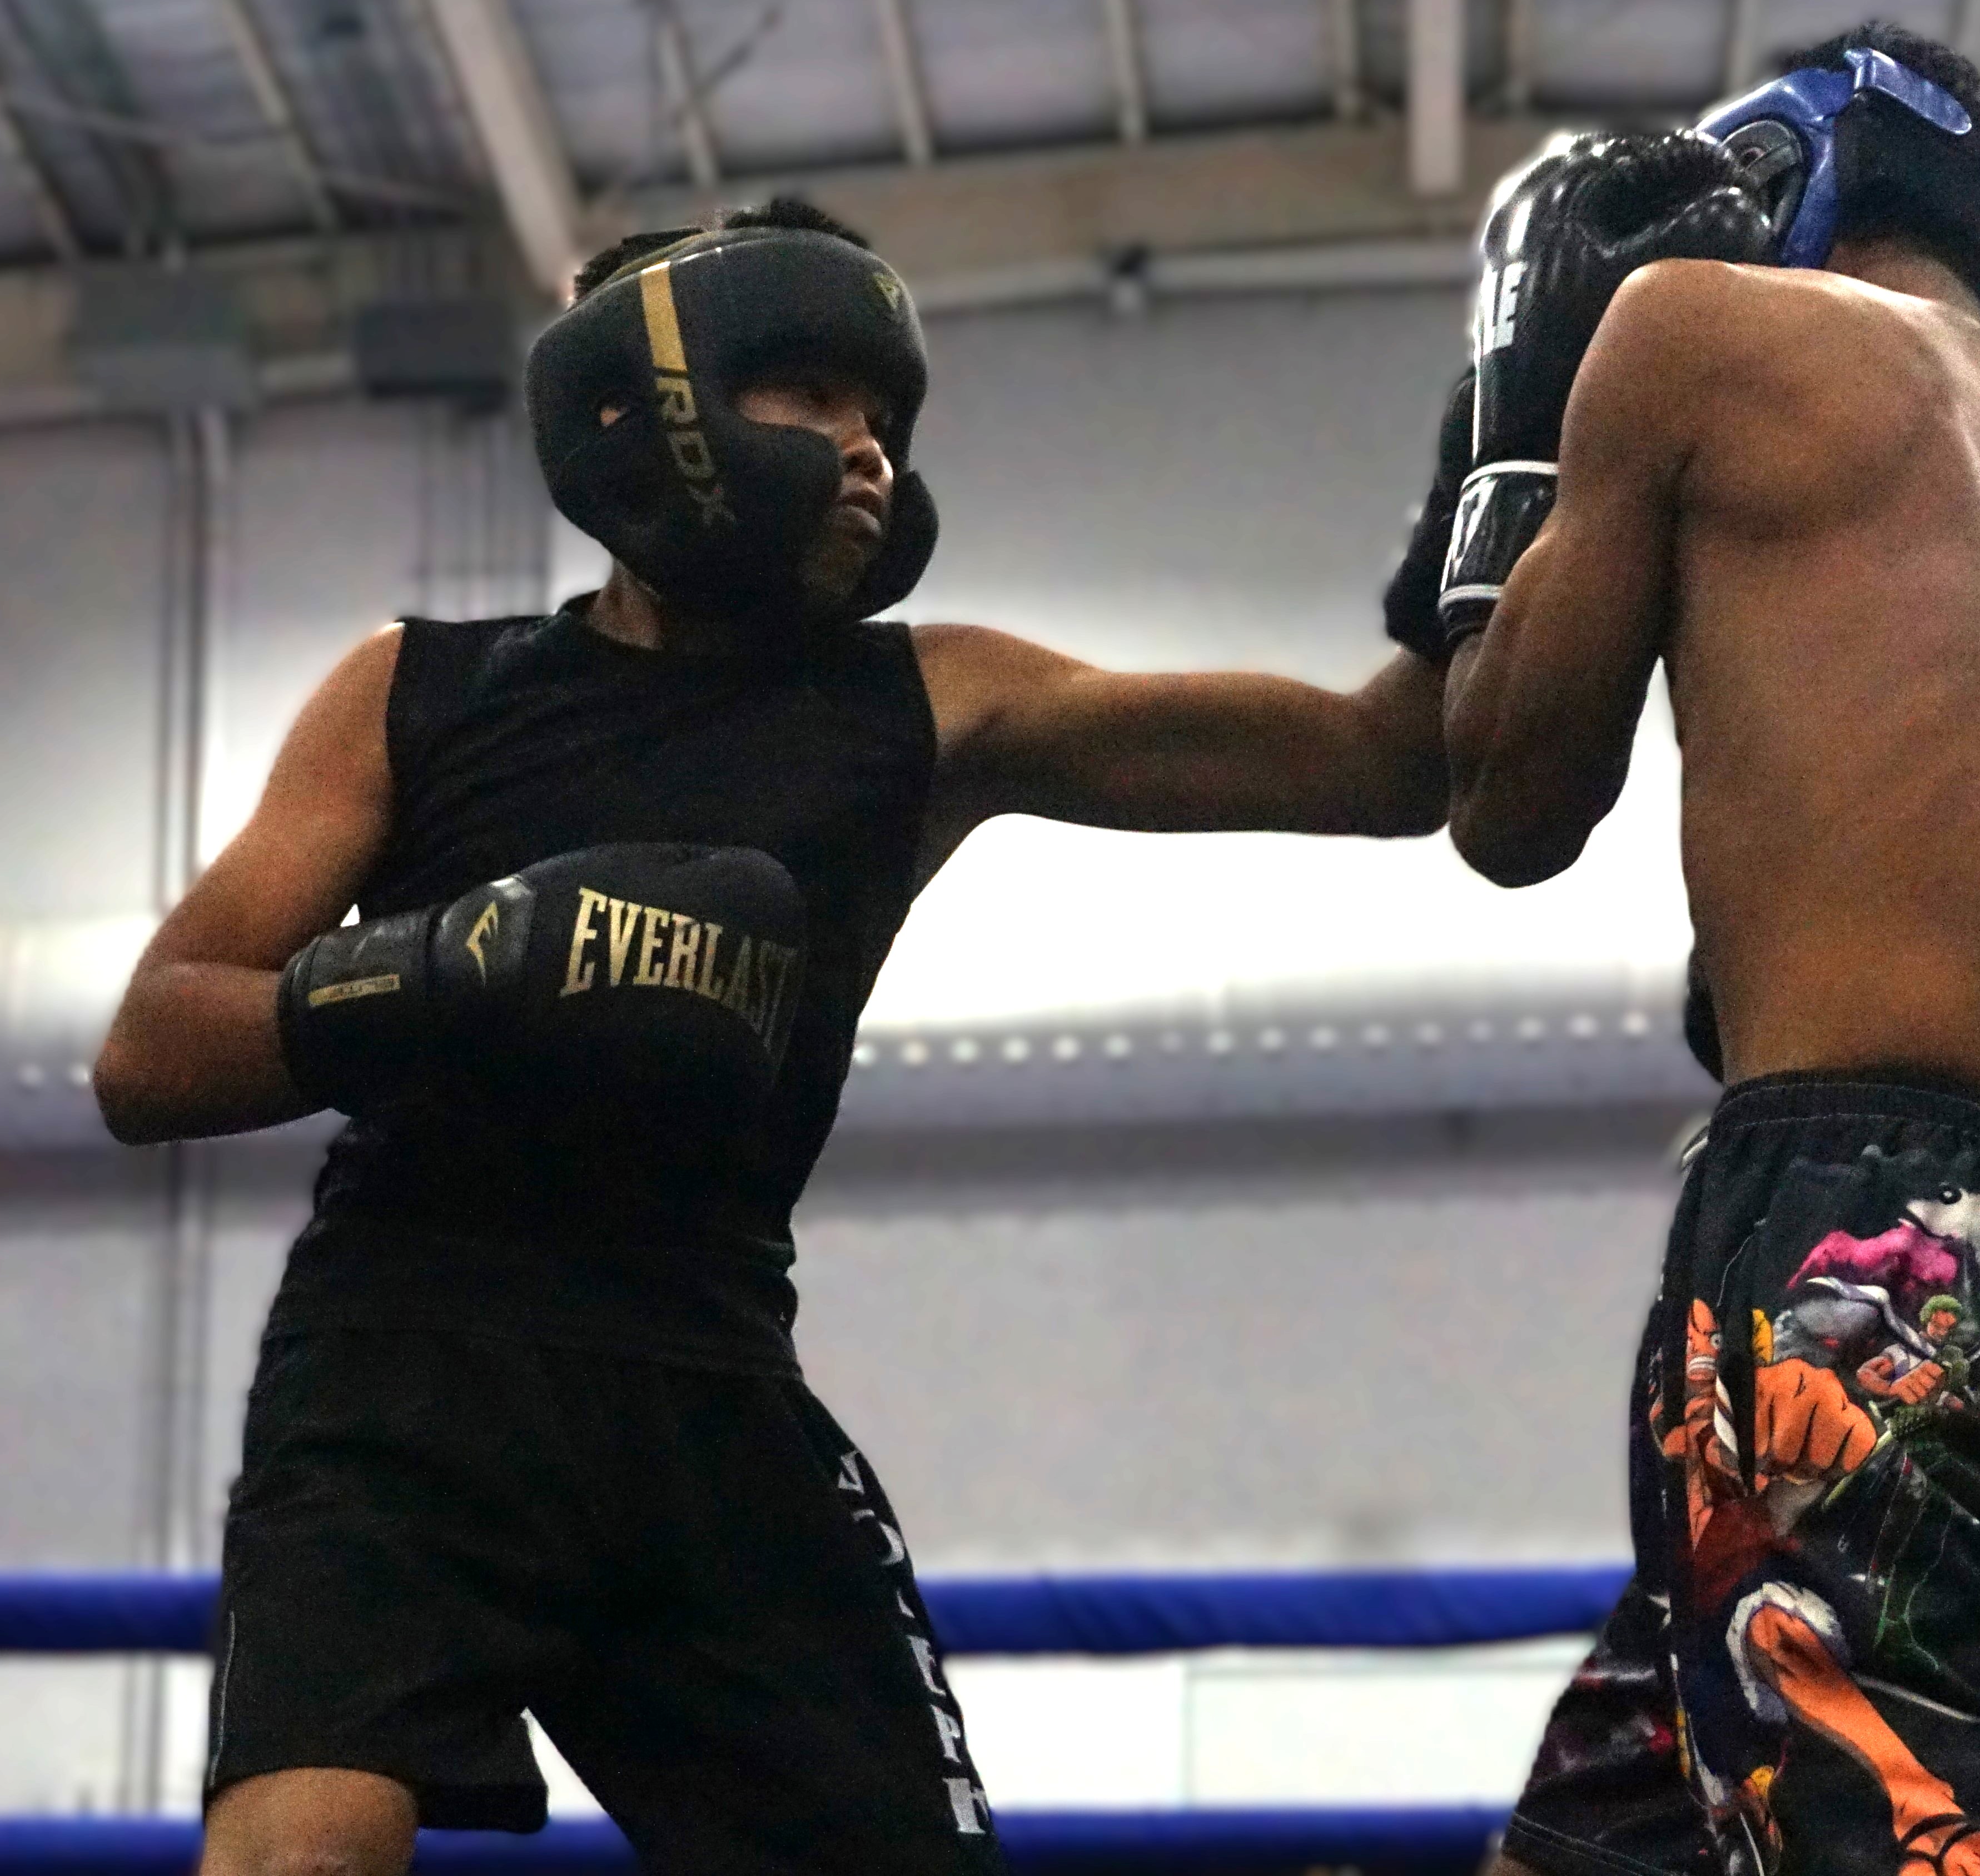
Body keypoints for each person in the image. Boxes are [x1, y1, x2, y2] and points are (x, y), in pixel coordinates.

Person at [92, 193, 1451, 1876]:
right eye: (810, 395)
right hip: (406, 1369)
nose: (866, 450)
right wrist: (446, 973)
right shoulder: (414, 692)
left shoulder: (933, 700)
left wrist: (1509, 473)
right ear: (641, 401)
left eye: (883, 415)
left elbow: (1387, 770)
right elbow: (149, 1053)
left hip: (710, 1384)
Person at [1400, 23, 1980, 1876]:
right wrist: (1961, 931)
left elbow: (1505, 807)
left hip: (1838, 1243)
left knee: (1894, 1833)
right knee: (1609, 1835)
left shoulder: (1695, 340)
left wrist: (1510, 426)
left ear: (1770, 183)